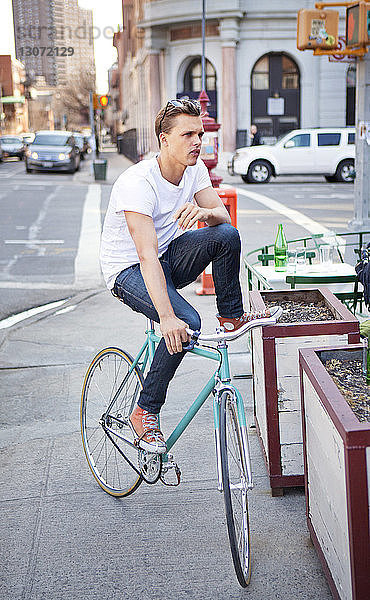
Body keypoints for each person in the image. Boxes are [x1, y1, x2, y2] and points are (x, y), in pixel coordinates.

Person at [100, 99, 278, 454]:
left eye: (199, 133)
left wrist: (204, 212)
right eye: (187, 135)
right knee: (186, 321)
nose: (197, 141)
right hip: (128, 269)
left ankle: (230, 316)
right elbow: (146, 255)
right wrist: (167, 318)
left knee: (227, 236)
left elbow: (223, 219)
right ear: (164, 140)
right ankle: (144, 410)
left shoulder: (193, 168)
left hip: (167, 257)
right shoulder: (137, 183)